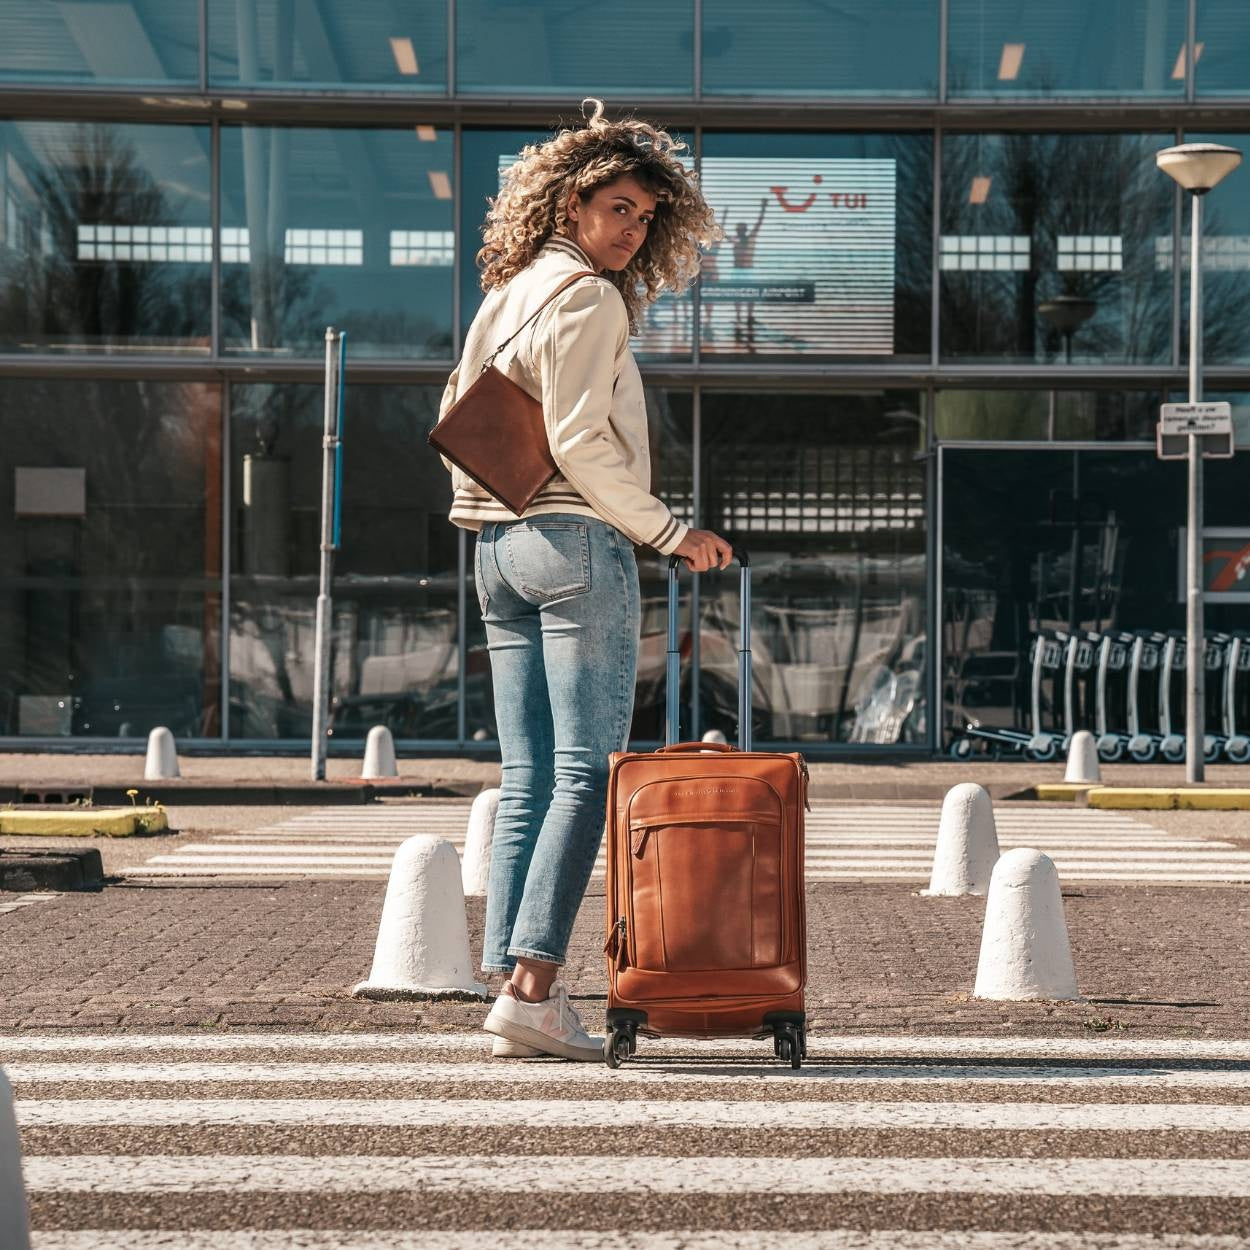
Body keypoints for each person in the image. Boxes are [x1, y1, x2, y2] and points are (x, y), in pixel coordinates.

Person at [437, 99, 733, 1061]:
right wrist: (672, 532)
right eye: (618, 208)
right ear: (571, 203)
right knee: (586, 774)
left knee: (526, 775)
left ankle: (511, 979)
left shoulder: (509, 291)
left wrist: (487, 514)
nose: (632, 228)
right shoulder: (591, 299)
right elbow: (578, 443)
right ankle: (532, 989)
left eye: (646, 217)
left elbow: (456, 413)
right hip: (573, 540)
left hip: (496, 544)